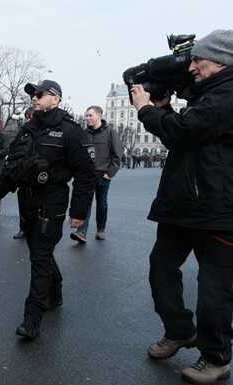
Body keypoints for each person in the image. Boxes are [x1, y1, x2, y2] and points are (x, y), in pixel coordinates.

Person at [131, 29, 233, 384]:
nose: (191, 66)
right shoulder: (207, 94)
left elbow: (184, 131)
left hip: (219, 210)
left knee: (215, 290)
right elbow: (183, 129)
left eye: (197, 59)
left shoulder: (227, 95)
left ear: (221, 61)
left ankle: (216, 358)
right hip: (183, 204)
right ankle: (179, 330)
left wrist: (146, 110)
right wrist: (162, 108)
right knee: (161, 268)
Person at [0, 79, 94, 340]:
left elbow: (85, 175)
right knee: (39, 251)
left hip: (52, 200)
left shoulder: (70, 131)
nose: (34, 97)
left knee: (40, 257)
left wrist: (78, 212)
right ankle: (55, 294)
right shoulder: (27, 130)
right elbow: (13, 165)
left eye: (40, 93)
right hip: (27, 200)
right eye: (33, 94)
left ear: (56, 99)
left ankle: (32, 319)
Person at [71, 106, 122, 243]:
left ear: (99, 115)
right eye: (86, 115)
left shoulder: (110, 132)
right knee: (85, 203)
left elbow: (117, 156)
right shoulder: (83, 133)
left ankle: (101, 229)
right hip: (86, 175)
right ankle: (81, 232)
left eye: (90, 115)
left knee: (102, 203)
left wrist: (109, 174)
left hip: (103, 174)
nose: (87, 118)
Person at [13, 107, 36, 240]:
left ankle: (34, 229)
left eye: (31, 116)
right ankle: (23, 228)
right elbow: (14, 149)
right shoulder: (22, 132)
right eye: (27, 117)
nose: (29, 119)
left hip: (37, 175)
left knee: (35, 205)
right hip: (23, 174)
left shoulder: (43, 133)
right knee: (22, 203)